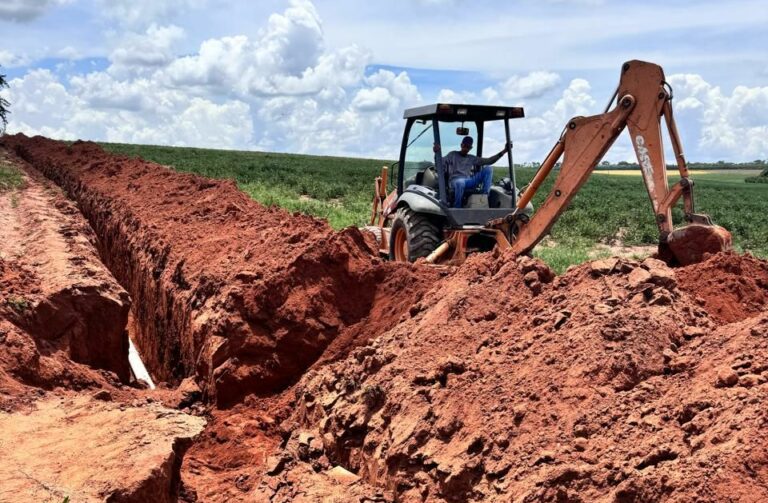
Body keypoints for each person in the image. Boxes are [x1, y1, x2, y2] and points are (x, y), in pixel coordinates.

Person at [435, 136, 511, 208]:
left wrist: (504, 151)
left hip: (468, 181)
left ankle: (484, 198)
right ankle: (457, 207)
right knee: (460, 182)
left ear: (470, 148)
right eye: (465, 146)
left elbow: (489, 161)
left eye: (468, 147)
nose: (466, 148)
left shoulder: (471, 158)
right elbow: (440, 162)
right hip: (455, 181)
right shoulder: (452, 155)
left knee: (488, 168)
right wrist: (436, 153)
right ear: (461, 145)